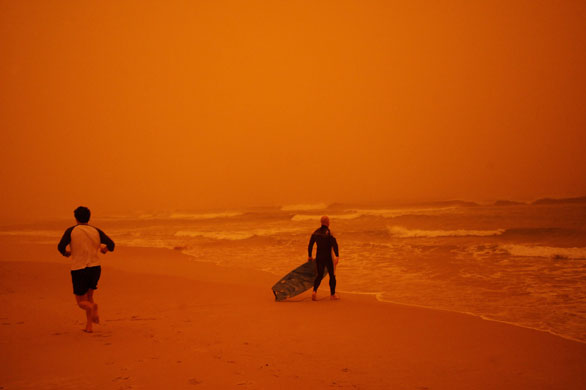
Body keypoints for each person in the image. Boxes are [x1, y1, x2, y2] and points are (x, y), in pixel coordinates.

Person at [57, 206, 115, 333]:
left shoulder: (71, 231)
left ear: (76, 218)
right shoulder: (96, 230)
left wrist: (66, 253)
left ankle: (92, 308)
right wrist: (104, 250)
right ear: (89, 217)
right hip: (95, 268)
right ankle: (89, 326)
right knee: (89, 296)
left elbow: (60, 246)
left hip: (79, 268)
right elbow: (111, 244)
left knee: (81, 302)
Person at [308, 215, 340, 300]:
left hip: (319, 257)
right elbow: (335, 244)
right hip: (328, 257)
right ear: (327, 223)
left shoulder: (316, 232)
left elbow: (310, 244)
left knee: (319, 275)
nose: (329, 222)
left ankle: (314, 291)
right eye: (329, 221)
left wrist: (310, 255)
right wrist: (337, 255)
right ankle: (332, 294)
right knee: (332, 275)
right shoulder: (329, 232)